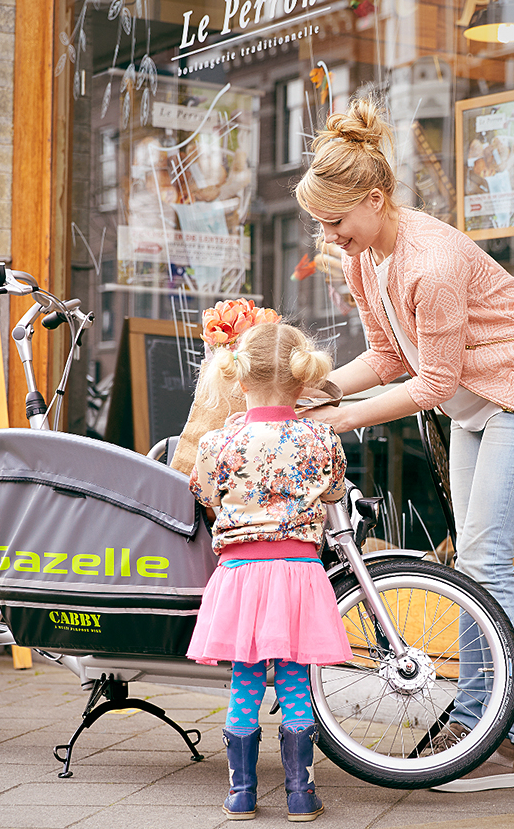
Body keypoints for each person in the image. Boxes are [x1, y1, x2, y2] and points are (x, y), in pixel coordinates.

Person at [295, 95, 514, 793]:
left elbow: (432, 381)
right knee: (476, 562)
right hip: (474, 400)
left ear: (373, 198)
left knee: (485, 559)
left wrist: (342, 418)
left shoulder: (432, 260)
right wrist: (320, 389)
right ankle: (480, 724)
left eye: (335, 223)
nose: (331, 238)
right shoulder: (367, 260)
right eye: (322, 226)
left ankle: (502, 742)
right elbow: (390, 354)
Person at [185, 320, 352, 822]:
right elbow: (336, 491)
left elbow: (203, 493)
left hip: (240, 574)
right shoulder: (321, 439)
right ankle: (301, 794)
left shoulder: (218, 443)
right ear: (303, 383)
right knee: (296, 681)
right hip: (298, 572)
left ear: (239, 380)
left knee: (246, 681)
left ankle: (241, 794)